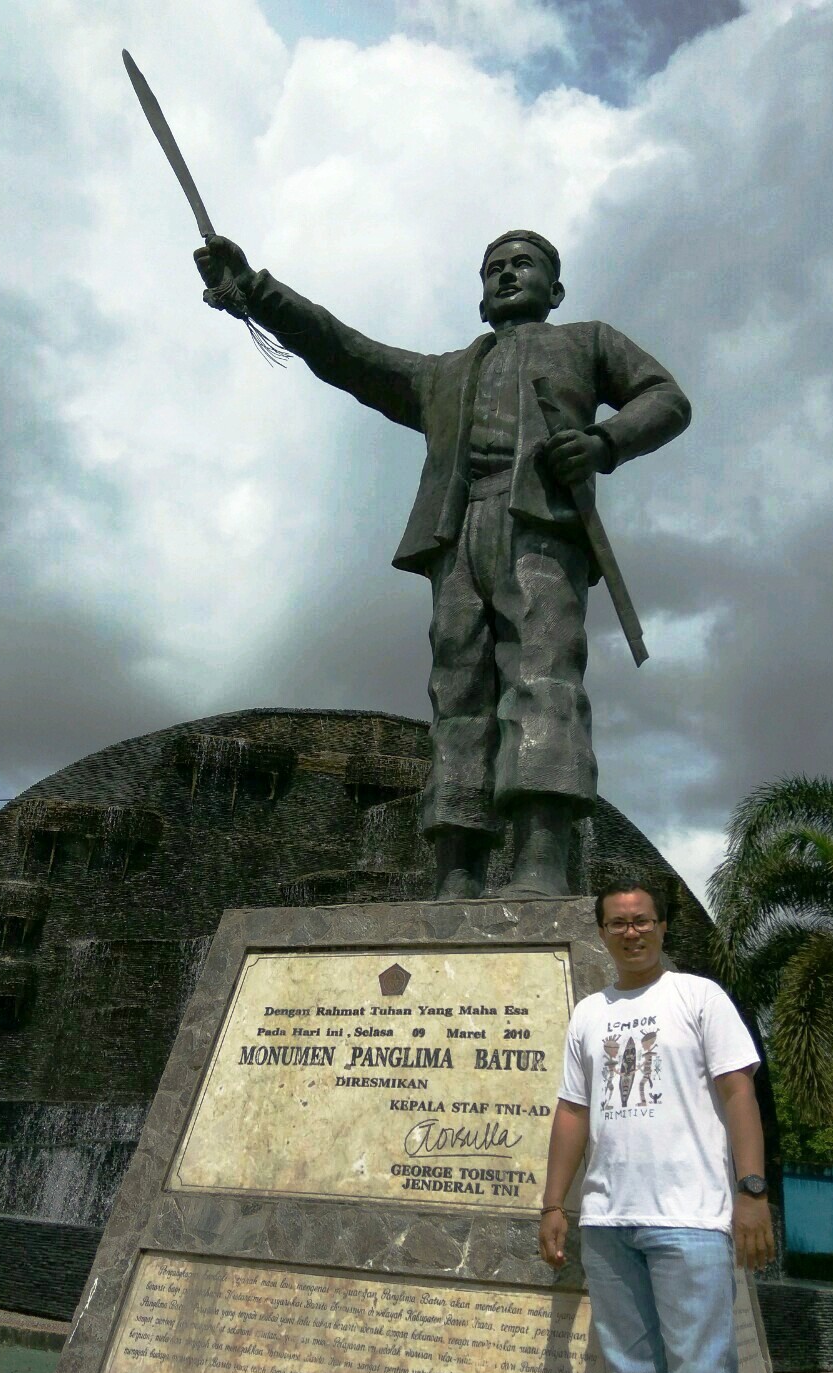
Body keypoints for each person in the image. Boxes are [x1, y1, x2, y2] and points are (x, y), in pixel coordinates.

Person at [194, 233, 690, 899]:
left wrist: (604, 442)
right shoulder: (444, 373)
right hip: (457, 534)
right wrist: (255, 290)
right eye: (493, 269)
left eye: (523, 265)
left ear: (556, 290)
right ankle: (457, 869)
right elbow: (345, 350)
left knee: (542, 681)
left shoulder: (587, 341)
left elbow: (665, 397)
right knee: (457, 699)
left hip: (540, 528)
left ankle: (541, 864)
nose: (506, 275)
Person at [538, 878, 775, 1373]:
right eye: (617, 923)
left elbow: (739, 1092)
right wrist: (553, 1203)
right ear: (601, 934)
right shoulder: (589, 1014)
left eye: (642, 920)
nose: (631, 932)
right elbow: (573, 1112)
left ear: (663, 926)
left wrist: (752, 1191)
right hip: (607, 1225)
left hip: (690, 1221)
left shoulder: (699, 997)